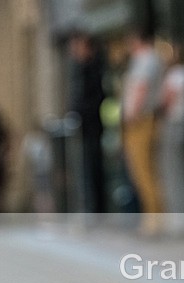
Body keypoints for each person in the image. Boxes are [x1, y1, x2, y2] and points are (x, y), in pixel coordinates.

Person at [121, 26, 164, 237]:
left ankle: (154, 223)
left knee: (143, 171)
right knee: (146, 171)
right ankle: (153, 220)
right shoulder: (150, 59)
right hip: (145, 118)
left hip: (140, 120)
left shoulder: (145, 59)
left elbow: (141, 87)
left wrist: (132, 112)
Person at [67, 30, 106, 215]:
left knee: (94, 170)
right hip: (84, 128)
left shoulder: (94, 69)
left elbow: (94, 99)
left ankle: (98, 210)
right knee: (86, 171)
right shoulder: (79, 69)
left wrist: (81, 113)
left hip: (93, 127)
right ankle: (90, 209)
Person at [158, 44, 184, 237]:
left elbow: (166, 100)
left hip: (174, 124)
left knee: (173, 174)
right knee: (181, 173)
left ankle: (179, 221)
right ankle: (183, 219)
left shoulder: (176, 74)